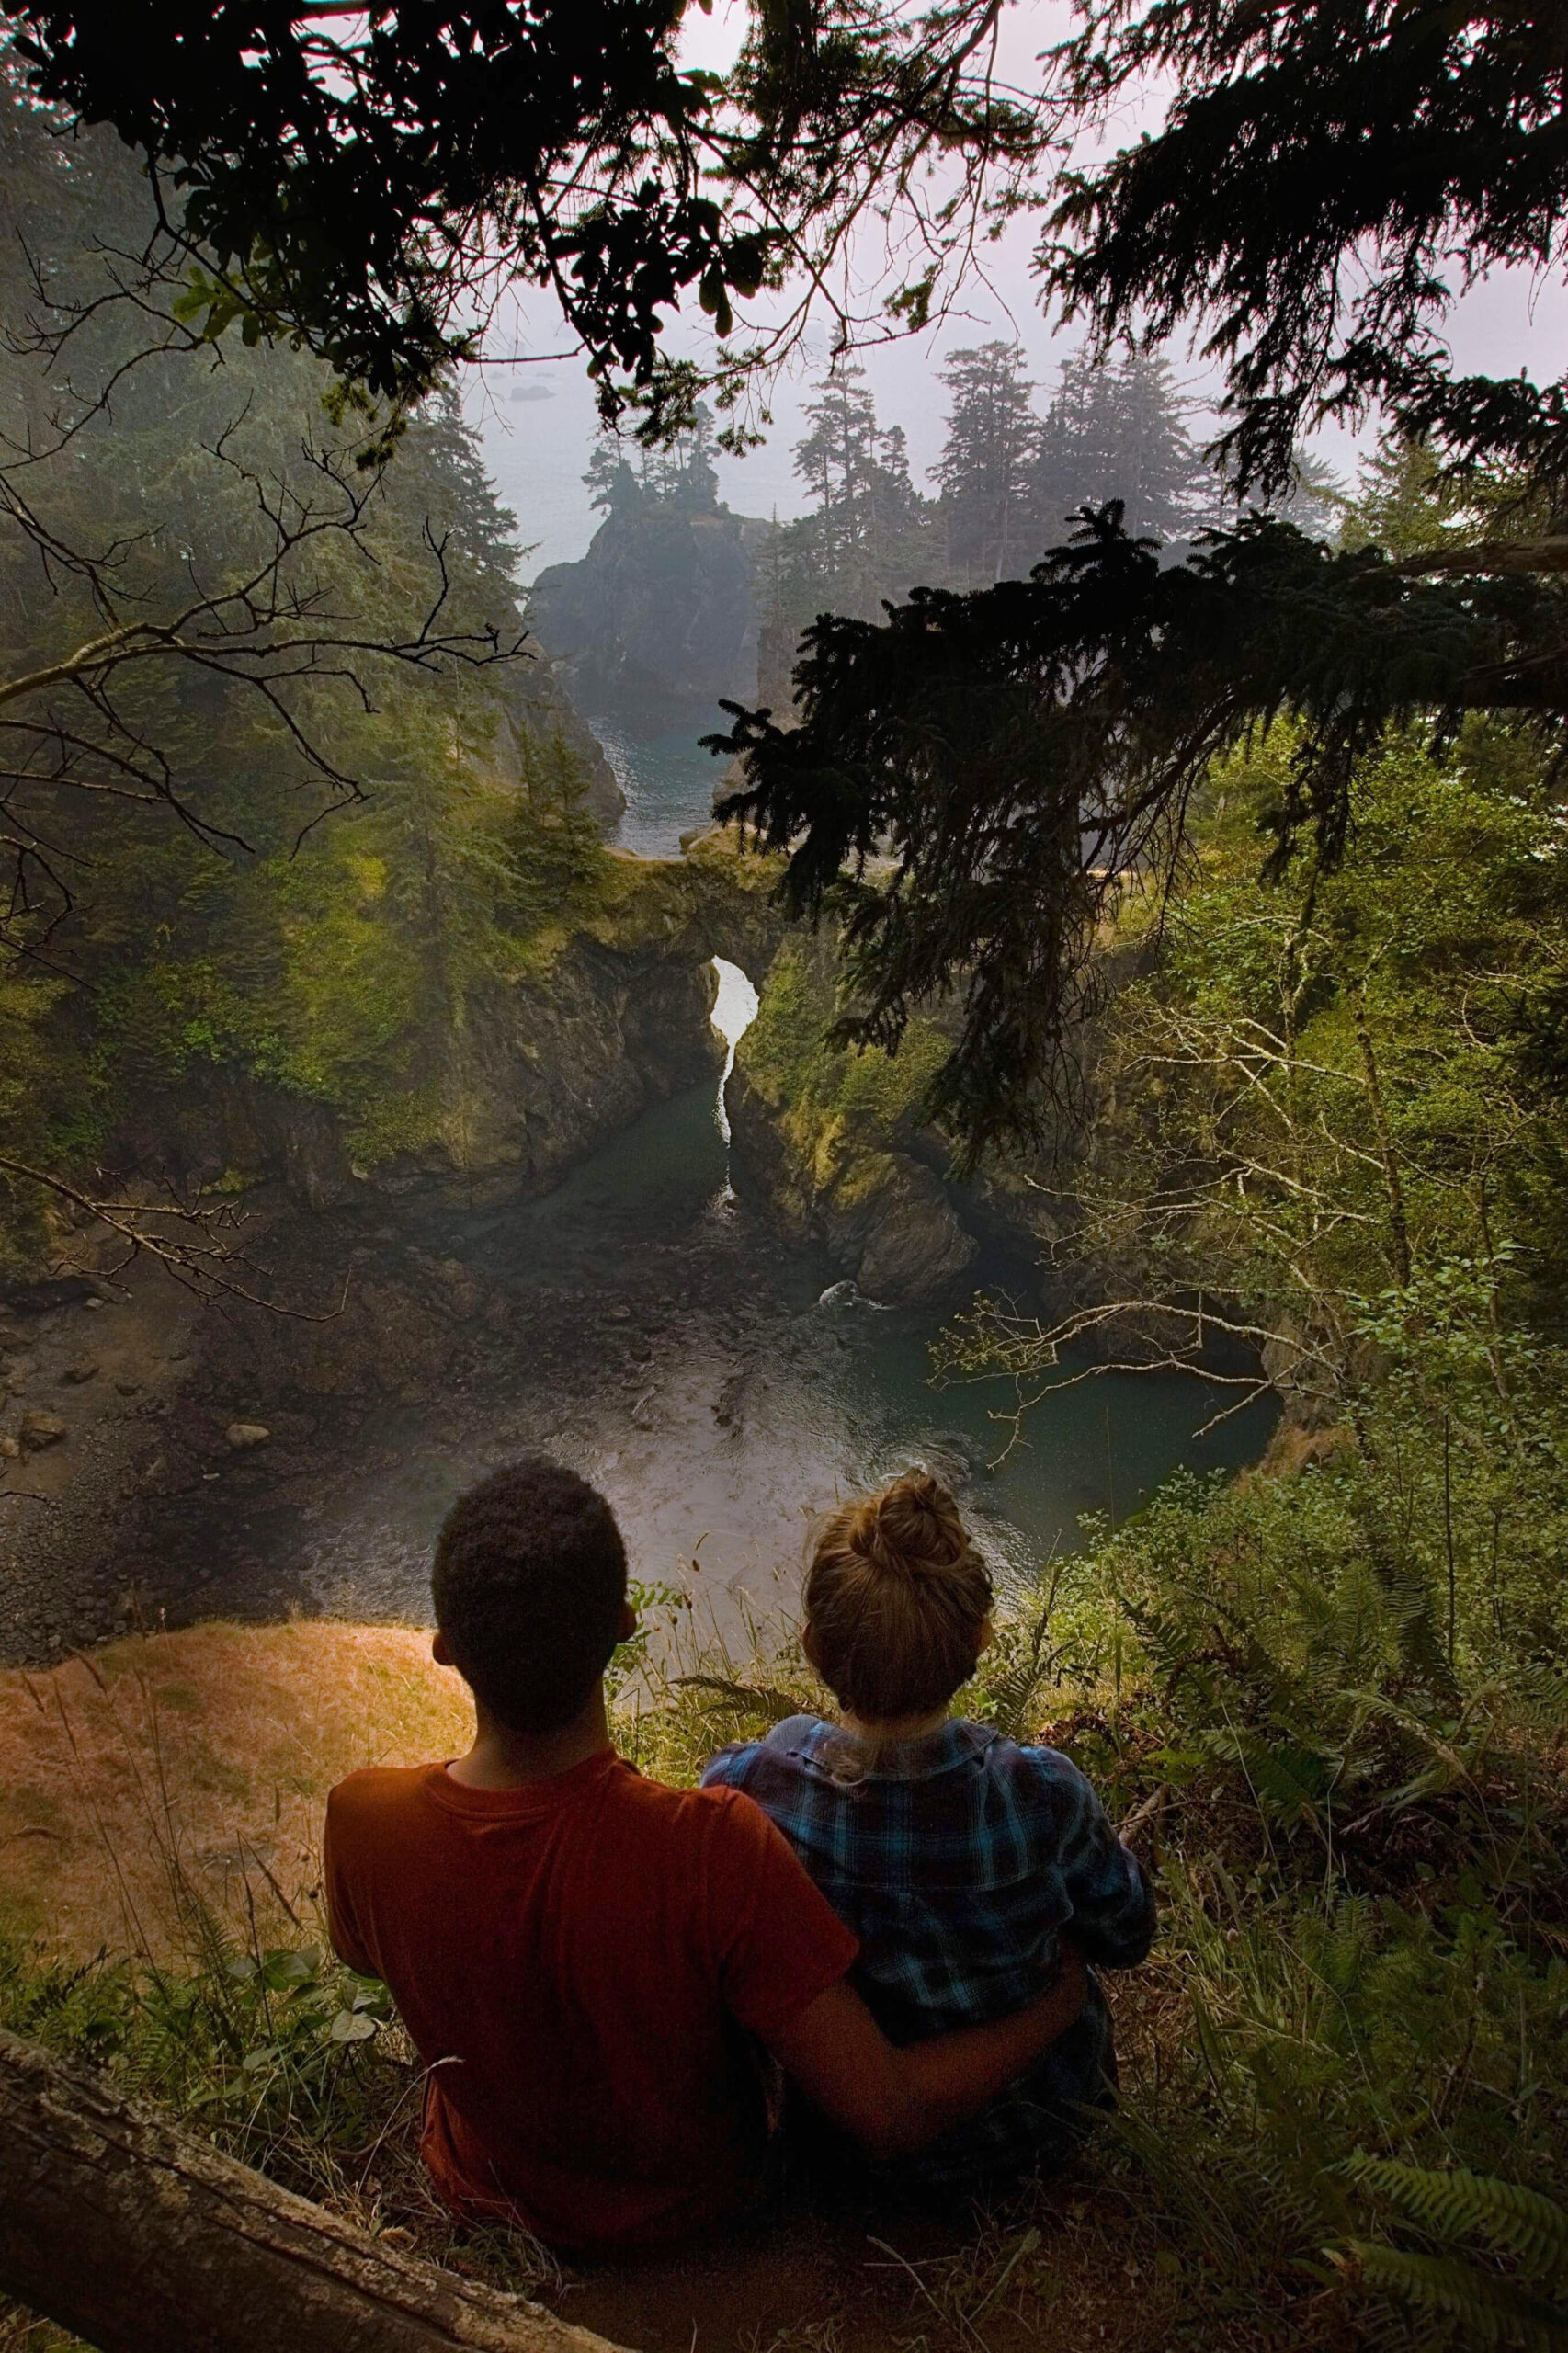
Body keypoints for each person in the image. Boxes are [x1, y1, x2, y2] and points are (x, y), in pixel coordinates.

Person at [323, 1455, 1092, 2255]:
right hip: (694, 2223)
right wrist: (1057, 2004)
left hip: (481, 2195)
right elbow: (887, 2110)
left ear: (445, 1649)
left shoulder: (363, 1818)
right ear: (626, 1626)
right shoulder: (710, 1848)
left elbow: (363, 1955)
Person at [701, 1470, 1155, 2193]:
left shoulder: (749, 1792)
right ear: (978, 1640)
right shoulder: (1041, 1794)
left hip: (843, 2154)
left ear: (814, 1648)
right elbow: (1129, 1935)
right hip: (1042, 2132)